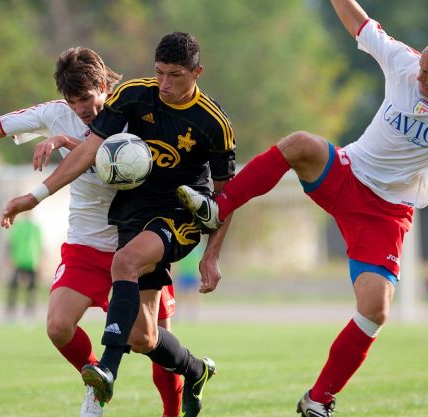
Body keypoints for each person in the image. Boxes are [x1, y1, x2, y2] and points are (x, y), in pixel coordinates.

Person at [176, 1, 428, 416]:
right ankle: (219, 207)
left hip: (386, 212)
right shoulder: (405, 63)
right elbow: (358, 23)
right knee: (300, 143)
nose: (420, 80)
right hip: (348, 173)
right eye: (422, 72)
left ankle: (318, 400)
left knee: (375, 310)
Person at [0, 47, 183, 417]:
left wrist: (65, 143)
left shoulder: (132, 108)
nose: (80, 108)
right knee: (57, 326)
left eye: (85, 98)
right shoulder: (54, 113)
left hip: (137, 241)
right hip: (87, 243)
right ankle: (96, 386)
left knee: (150, 342)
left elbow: (123, 157)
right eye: (72, 101)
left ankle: (175, 408)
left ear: (102, 86)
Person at [0, 32, 236, 417]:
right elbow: (91, 149)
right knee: (143, 338)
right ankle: (195, 370)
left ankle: (106, 372)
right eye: (159, 73)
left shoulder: (214, 123)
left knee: (123, 262)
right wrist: (35, 197)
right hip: (132, 214)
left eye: (175, 75)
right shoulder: (133, 95)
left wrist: (212, 254)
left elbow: (228, 197)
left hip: (179, 216)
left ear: (197, 72)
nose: (165, 84)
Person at [6, 215, 43, 322]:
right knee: (13, 287)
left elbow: (40, 245)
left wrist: (40, 262)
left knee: (31, 290)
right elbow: (11, 244)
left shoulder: (36, 228)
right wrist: (10, 259)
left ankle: (29, 315)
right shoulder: (18, 227)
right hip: (18, 261)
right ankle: (10, 314)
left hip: (32, 262)